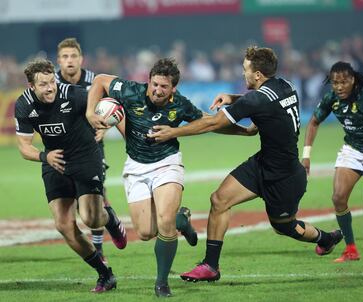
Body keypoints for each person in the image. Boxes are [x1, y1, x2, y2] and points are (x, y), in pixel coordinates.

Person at [148, 46, 343, 282]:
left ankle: (325, 238)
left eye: (246, 70)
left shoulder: (258, 99)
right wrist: (233, 98)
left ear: (258, 74)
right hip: (262, 164)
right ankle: (211, 266)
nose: (243, 74)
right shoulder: (285, 85)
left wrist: (173, 132)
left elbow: (213, 124)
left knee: (284, 226)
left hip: (285, 177)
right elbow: (260, 102)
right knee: (219, 200)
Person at [86, 58, 248, 297]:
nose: (157, 90)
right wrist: (91, 113)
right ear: (148, 81)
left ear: (173, 88)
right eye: (154, 84)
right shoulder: (130, 91)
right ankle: (181, 219)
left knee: (164, 222)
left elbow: (210, 123)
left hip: (167, 164)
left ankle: (161, 283)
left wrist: (244, 131)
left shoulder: (180, 105)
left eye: (164, 87)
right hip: (136, 167)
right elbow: (99, 80)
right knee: (145, 232)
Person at [14, 59, 127, 292]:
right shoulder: (24, 105)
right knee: (64, 225)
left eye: (51, 82)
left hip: (85, 157)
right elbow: (24, 147)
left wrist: (105, 125)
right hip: (54, 161)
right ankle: (105, 274)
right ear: (31, 86)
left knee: (92, 219)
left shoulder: (74, 94)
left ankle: (111, 219)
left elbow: (109, 101)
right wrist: (45, 157)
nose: (50, 88)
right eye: (43, 84)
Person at [301, 61, 363, 262]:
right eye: (335, 82)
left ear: (353, 80)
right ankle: (351, 249)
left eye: (343, 82)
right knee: (338, 197)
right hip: (352, 150)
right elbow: (314, 122)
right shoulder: (331, 98)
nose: (339, 86)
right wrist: (306, 155)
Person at [56, 37, 109, 263]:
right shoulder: (52, 83)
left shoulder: (95, 82)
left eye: (73, 56)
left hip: (92, 148)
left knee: (95, 200)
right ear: (58, 61)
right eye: (65, 57)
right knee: (72, 204)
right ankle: (108, 225)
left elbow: (110, 109)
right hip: (63, 149)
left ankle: (99, 250)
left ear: (81, 59)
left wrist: (105, 128)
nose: (70, 61)